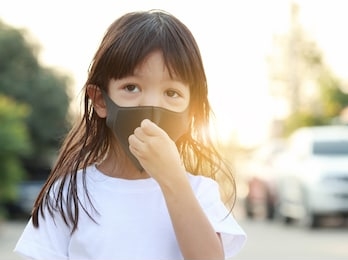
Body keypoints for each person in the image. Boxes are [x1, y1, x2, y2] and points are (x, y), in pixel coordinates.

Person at [14, 9, 246, 260]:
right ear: (101, 101)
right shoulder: (70, 193)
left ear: (191, 112)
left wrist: (173, 180)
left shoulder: (200, 192)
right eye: (131, 87)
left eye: (172, 93)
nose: (151, 108)